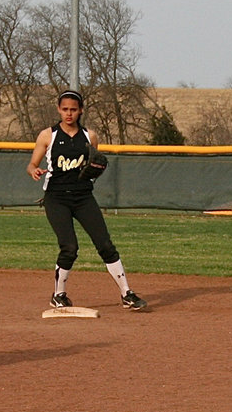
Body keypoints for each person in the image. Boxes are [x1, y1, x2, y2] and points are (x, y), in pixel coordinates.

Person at [27, 89, 148, 311]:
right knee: (69, 247)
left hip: (83, 197)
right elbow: (32, 164)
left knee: (105, 244)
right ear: (58, 110)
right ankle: (59, 295)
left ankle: (127, 294)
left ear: (81, 110)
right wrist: (34, 170)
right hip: (57, 198)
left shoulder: (89, 136)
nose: (69, 113)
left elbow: (93, 165)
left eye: (73, 109)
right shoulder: (48, 135)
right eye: (65, 109)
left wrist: (94, 170)